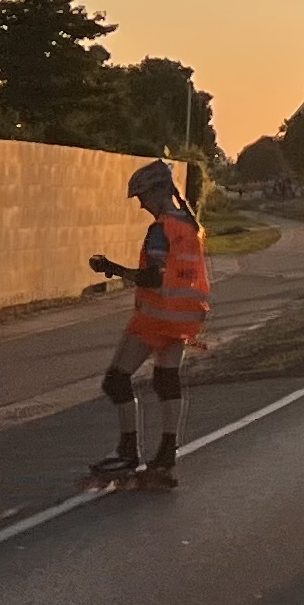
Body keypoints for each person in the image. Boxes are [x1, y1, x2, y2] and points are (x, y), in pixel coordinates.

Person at [85, 161, 211, 489]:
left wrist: (112, 268)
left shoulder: (162, 228)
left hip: (154, 318)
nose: (140, 203)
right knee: (167, 382)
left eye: (142, 196)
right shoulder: (191, 225)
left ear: (156, 191)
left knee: (116, 380)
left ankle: (128, 452)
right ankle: (167, 457)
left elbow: (153, 277)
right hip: (182, 318)